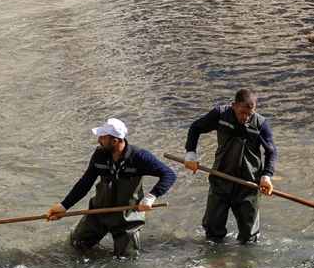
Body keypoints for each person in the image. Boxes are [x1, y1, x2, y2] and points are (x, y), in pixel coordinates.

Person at [47, 118, 176, 258]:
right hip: (99, 212)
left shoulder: (140, 157)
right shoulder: (99, 155)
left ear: (115, 141)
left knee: (125, 260)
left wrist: (151, 196)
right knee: (75, 246)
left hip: (128, 218)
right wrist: (63, 206)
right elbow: (85, 183)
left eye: (102, 137)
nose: (98, 140)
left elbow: (169, 174)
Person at [183, 88, 277, 244]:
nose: (246, 117)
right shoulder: (220, 115)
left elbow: (271, 152)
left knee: (249, 238)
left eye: (250, 114)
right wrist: (191, 153)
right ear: (234, 105)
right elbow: (195, 128)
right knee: (213, 233)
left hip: (249, 185)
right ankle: (215, 261)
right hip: (220, 180)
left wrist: (267, 176)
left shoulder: (260, 124)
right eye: (242, 112)